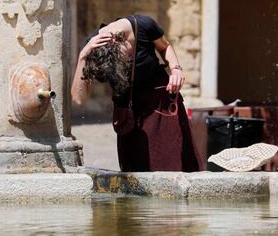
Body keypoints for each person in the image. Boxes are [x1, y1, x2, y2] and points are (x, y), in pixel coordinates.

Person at [71, 15, 200, 172]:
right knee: (135, 174)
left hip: (160, 107)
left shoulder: (144, 26)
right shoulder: (94, 46)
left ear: (121, 40)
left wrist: (175, 69)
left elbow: (165, 47)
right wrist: (83, 56)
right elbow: (78, 99)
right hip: (127, 114)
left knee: (171, 164)